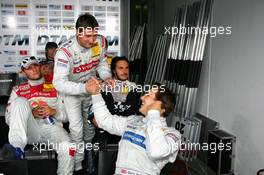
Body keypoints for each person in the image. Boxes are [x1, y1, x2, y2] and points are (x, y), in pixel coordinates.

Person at [52, 13, 112, 172]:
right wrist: (83, 88)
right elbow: (58, 83)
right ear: (78, 32)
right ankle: (78, 165)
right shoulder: (64, 52)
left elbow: (102, 63)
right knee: (76, 129)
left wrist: (107, 76)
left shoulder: (99, 41)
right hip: (72, 91)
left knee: (90, 126)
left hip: (91, 90)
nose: (92, 40)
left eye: (94, 35)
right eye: (87, 36)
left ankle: (89, 157)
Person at [86, 77, 181, 175]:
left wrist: (154, 113)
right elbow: (104, 121)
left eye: (148, 95)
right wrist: (96, 94)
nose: (141, 98)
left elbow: (156, 152)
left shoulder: (172, 134)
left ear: (161, 106)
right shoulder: (133, 120)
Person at [1, 56, 74, 175]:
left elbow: (67, 116)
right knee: (20, 101)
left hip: (53, 128)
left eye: (35, 65)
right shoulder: (17, 90)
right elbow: (9, 119)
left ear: (40, 67)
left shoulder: (56, 87)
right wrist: (30, 113)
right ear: (23, 72)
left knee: (68, 147)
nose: (34, 69)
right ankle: (17, 149)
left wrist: (53, 111)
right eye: (29, 68)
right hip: (31, 129)